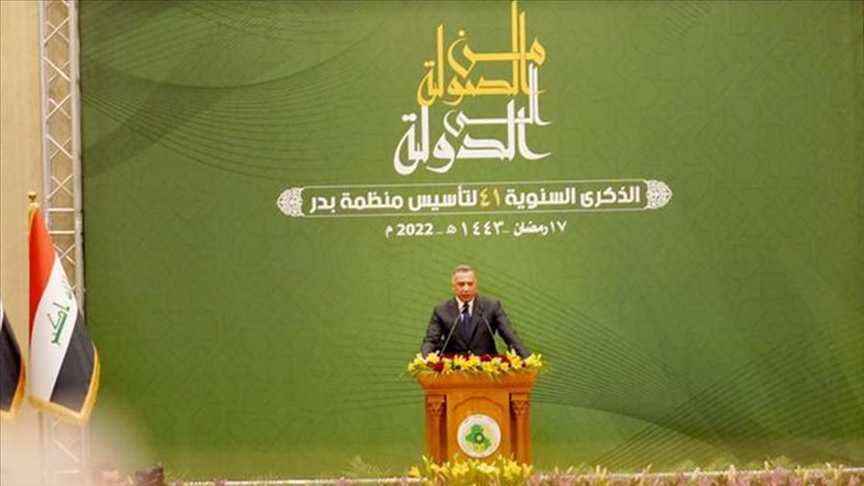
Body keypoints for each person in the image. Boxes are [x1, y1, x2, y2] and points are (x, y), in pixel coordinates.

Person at [421, 265, 529, 358]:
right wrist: (423, 361)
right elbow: (431, 340)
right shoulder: (441, 310)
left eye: (470, 284)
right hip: (454, 370)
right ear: (453, 287)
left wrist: (526, 358)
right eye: (461, 284)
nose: (466, 289)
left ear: (476, 285)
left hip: (487, 368)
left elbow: (509, 335)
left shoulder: (491, 306)